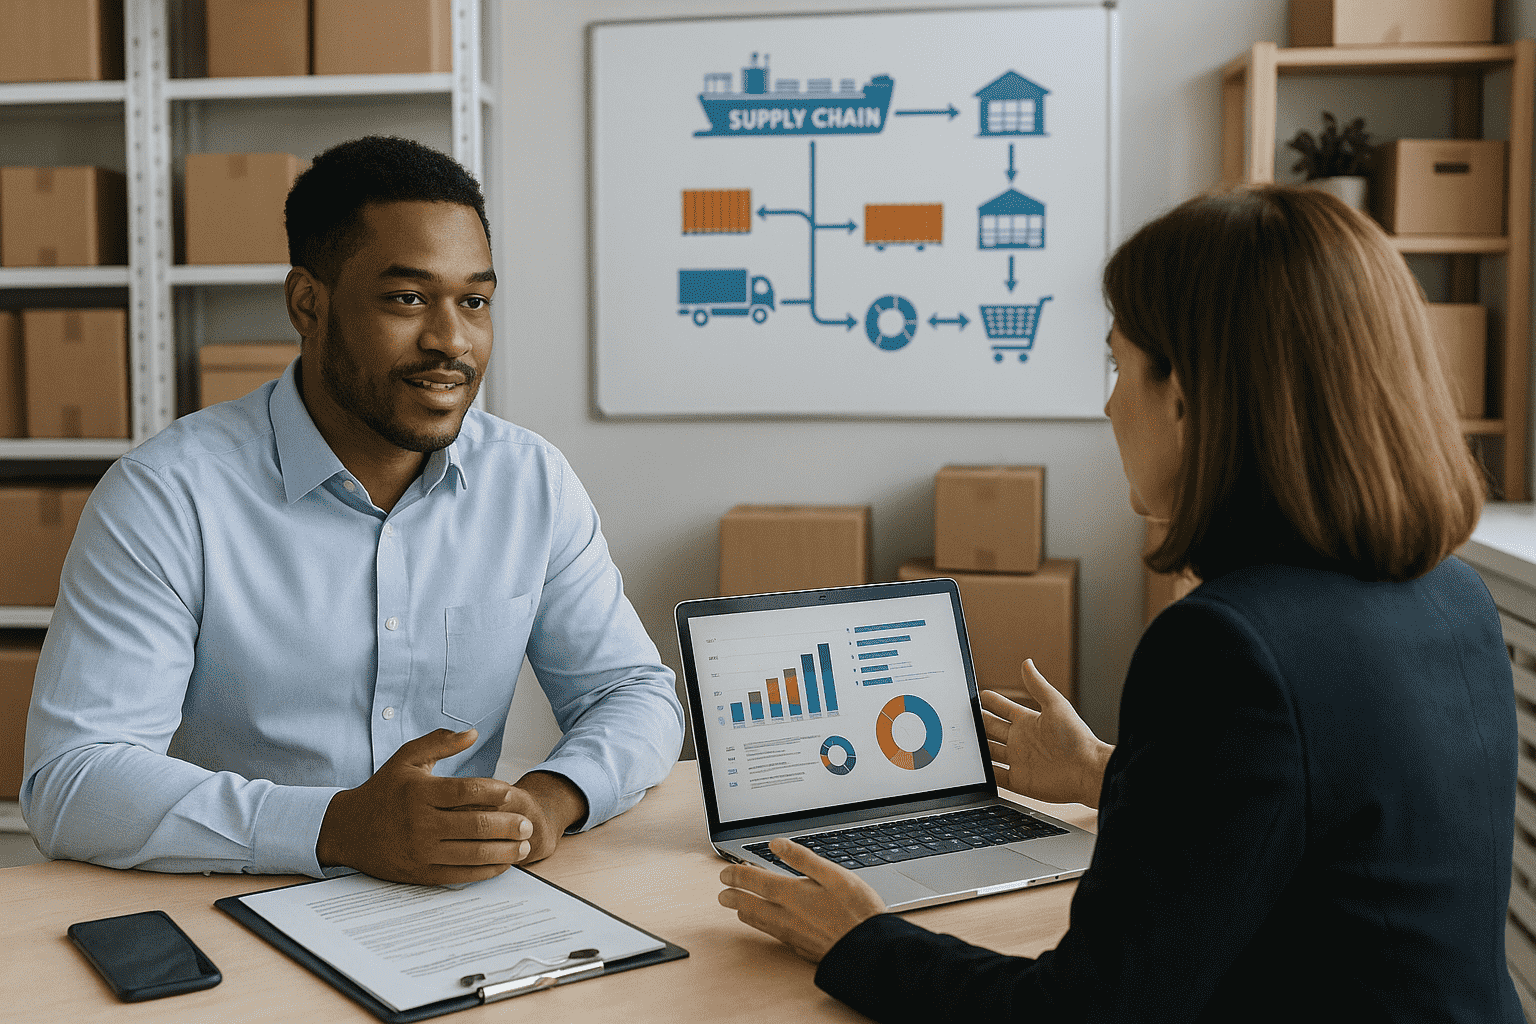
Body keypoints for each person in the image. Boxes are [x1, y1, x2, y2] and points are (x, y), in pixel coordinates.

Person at [718, 184, 1522, 1021]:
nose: (1108, 404)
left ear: (1188, 393)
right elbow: (1330, 834)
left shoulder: (1227, 645)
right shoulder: (1451, 596)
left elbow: (1088, 1012)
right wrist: (1107, 773)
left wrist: (858, 940)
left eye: (1118, 363)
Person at [22, 136, 684, 886]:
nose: (451, 341)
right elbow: (72, 780)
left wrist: (551, 800)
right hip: (245, 900)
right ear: (309, 304)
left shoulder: (530, 481)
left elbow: (632, 694)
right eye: (407, 299)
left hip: (461, 907)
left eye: (474, 301)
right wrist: (335, 826)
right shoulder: (169, 495)